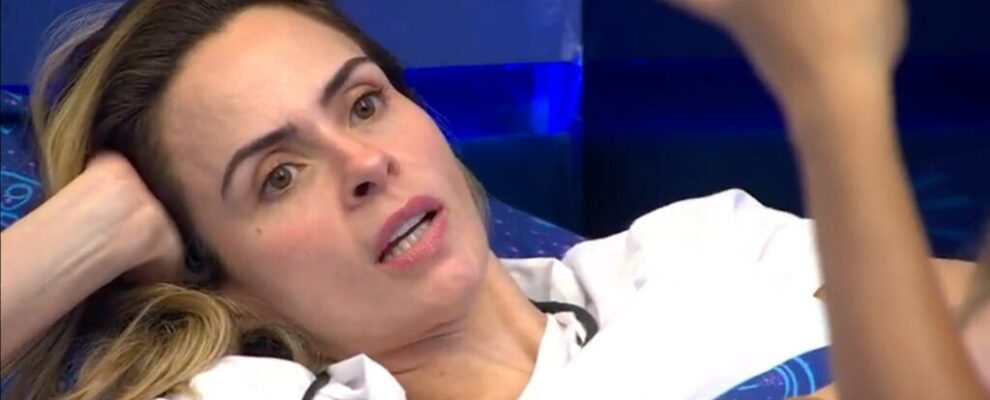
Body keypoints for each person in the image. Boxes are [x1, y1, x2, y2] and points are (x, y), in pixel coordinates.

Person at [0, 0, 985, 399]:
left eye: (364, 102)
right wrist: (101, 222)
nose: (363, 163)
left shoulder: (696, 250)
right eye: (278, 175)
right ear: (224, 280)